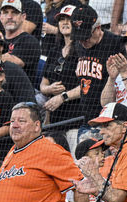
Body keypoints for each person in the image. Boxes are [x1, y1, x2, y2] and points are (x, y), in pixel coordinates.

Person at [0, 102, 88, 202]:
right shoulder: (12, 152)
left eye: (21, 121)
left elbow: (81, 188)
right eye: (12, 121)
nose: (14, 125)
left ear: (37, 126)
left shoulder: (50, 150)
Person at [68, 5, 125, 127]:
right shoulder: (79, 45)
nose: (83, 42)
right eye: (79, 38)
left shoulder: (116, 44)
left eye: (86, 37)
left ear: (98, 28)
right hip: (86, 118)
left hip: (109, 120)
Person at [41, 5, 81, 137]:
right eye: (61, 19)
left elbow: (88, 85)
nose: (64, 22)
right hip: (54, 119)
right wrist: (49, 89)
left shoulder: (83, 50)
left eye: (69, 19)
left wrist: (63, 97)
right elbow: (43, 85)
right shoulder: (54, 51)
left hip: (75, 119)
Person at [100, 26, 127, 137]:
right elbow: (105, 103)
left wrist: (124, 73)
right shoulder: (123, 68)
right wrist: (111, 78)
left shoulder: (123, 70)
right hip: (120, 136)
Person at [0, 0, 41, 87]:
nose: (9, 17)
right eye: (6, 13)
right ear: (1, 17)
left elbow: (12, 64)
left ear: (23, 17)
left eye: (14, 13)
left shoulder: (29, 41)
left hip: (19, 95)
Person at [73, 137, 107, 202]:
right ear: (84, 158)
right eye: (97, 153)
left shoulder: (103, 180)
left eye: (102, 152)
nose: (102, 154)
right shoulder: (75, 179)